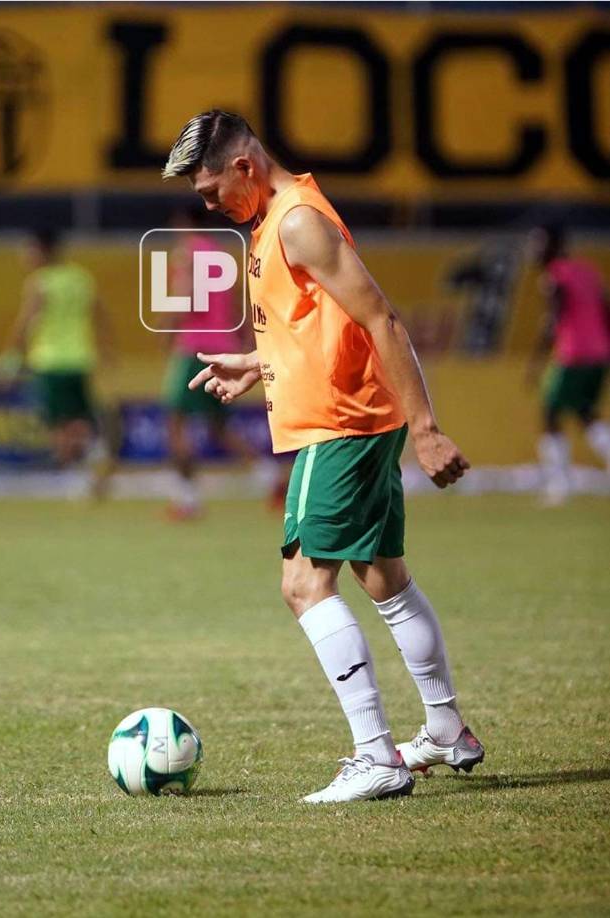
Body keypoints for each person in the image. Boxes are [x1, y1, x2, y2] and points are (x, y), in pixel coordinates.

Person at [163, 110, 483, 804]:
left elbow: (380, 320)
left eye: (213, 189)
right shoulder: (274, 219)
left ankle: (376, 757)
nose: (210, 204)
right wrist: (255, 363)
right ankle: (444, 729)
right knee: (382, 580)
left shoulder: (297, 221)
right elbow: (317, 326)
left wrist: (426, 428)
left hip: (337, 427)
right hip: (351, 421)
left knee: (303, 586)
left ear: (244, 166)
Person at [163, 206, 275, 519]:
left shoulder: (186, 254)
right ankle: (270, 478)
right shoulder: (222, 255)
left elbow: (186, 296)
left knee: (174, 421)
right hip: (223, 348)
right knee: (217, 429)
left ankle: (187, 501)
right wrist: (244, 342)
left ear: (185, 224)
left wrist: (167, 328)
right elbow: (238, 302)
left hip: (194, 348)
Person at [0, 230, 111, 468]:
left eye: (29, 250)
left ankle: (70, 468)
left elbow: (25, 323)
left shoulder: (40, 282)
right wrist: (106, 349)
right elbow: (100, 315)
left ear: (43, 250)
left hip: (51, 360)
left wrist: (9, 363)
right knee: (78, 417)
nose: (25, 256)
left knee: (58, 422)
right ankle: (91, 456)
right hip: (80, 359)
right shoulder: (81, 278)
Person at [527, 224, 610, 504]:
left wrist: (536, 361)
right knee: (586, 413)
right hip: (599, 354)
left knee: (550, 413)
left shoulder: (555, 277)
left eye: (538, 243)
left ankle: (560, 484)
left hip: (573, 355)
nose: (533, 249)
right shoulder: (588, 271)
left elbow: (553, 321)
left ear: (552, 245)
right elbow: (605, 310)